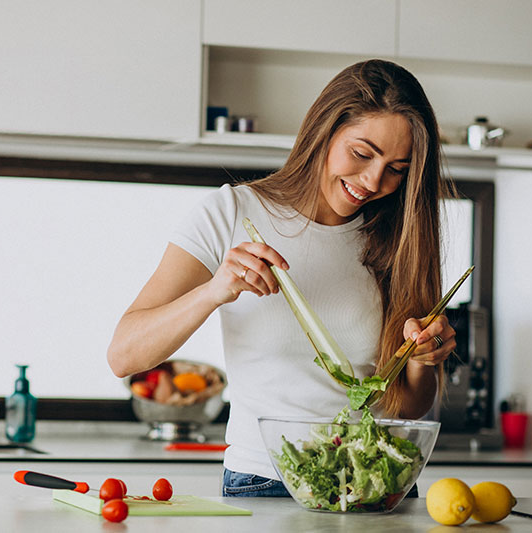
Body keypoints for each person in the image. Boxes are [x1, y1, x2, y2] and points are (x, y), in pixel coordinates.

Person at [107, 59, 456, 498]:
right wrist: (214, 290)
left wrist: (424, 359)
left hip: (379, 484)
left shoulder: (399, 238)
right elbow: (124, 355)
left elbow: (406, 404)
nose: (373, 181)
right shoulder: (232, 214)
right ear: (323, 132)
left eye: (397, 169)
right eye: (362, 154)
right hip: (266, 480)